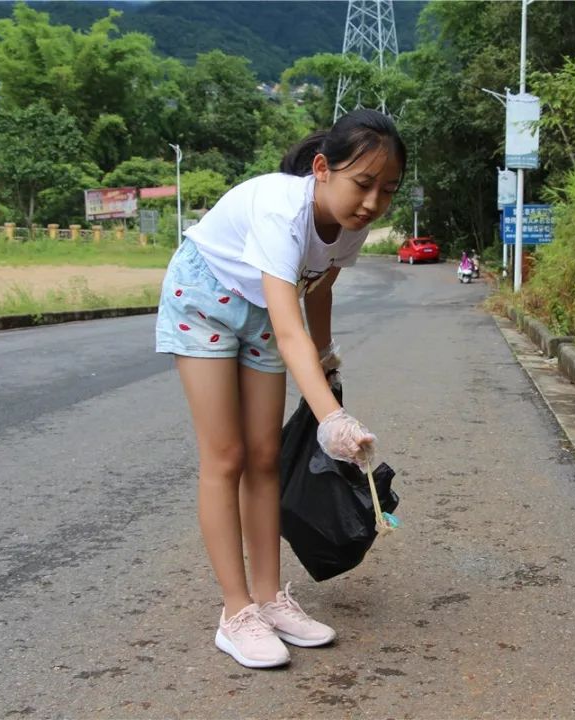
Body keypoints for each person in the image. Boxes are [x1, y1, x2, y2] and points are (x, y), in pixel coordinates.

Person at [155, 109, 406, 669]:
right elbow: (287, 324)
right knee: (227, 456)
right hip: (205, 298)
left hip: (266, 311)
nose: (371, 202)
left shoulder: (352, 226)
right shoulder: (279, 208)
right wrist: (331, 418)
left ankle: (269, 598)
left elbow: (316, 294)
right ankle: (235, 611)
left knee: (266, 455)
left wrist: (327, 361)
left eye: (387, 190)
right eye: (362, 184)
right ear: (322, 168)